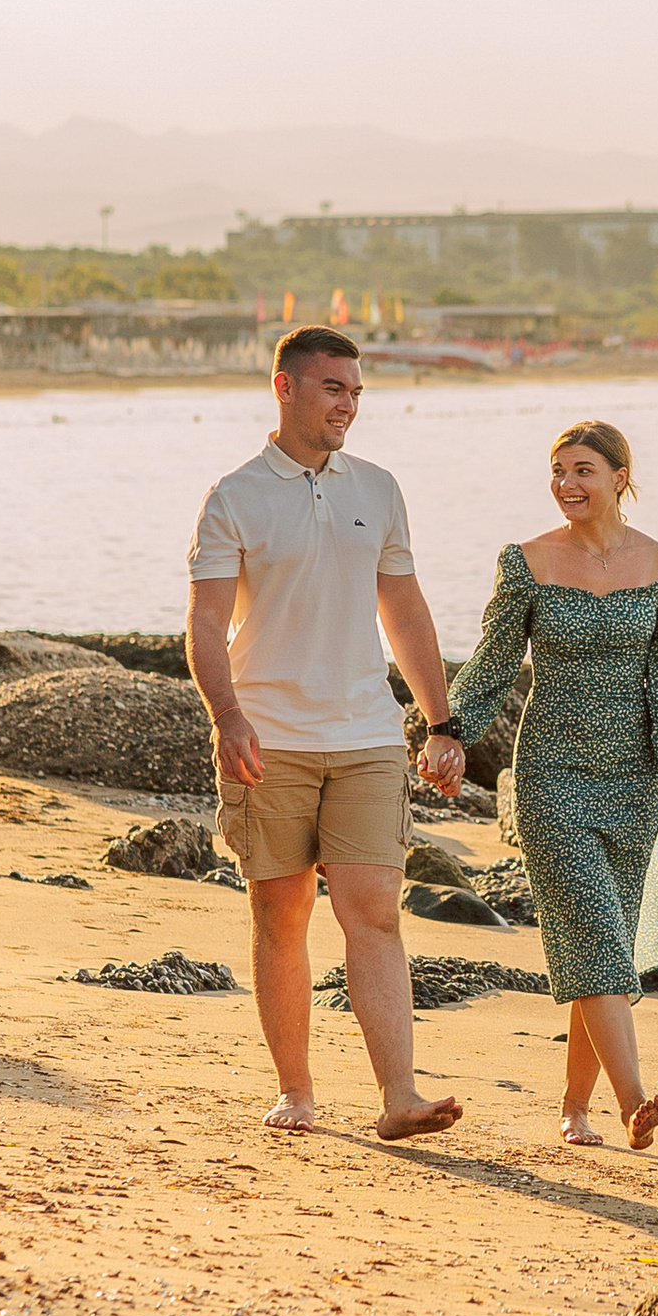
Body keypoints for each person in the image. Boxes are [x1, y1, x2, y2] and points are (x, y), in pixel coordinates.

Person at [186, 326, 469, 1140]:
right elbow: (205, 622)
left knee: (373, 907)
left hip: (367, 736)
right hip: (267, 737)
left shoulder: (377, 489)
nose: (348, 404)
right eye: (332, 388)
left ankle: (400, 1096)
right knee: (280, 912)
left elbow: (404, 609)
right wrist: (227, 716)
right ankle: (298, 1092)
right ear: (286, 387)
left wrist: (440, 720)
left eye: (355, 391)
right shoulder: (234, 496)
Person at [446, 419, 658, 1150]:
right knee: (594, 930)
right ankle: (634, 1099)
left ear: (621, 477)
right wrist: (448, 732)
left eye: (584, 470)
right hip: (551, 772)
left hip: (632, 780)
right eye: (558, 470)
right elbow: (494, 661)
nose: (567, 484)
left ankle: (574, 1108)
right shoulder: (526, 561)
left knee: (599, 945)